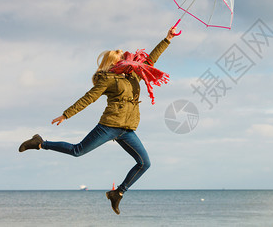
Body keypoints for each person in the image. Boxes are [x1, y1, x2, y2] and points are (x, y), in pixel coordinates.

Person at [19, 26, 179, 215]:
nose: (127, 59)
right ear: (114, 62)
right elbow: (89, 98)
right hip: (109, 125)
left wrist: (167, 39)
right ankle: (40, 143)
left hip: (127, 129)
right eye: (121, 58)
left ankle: (118, 193)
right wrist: (66, 114)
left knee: (145, 163)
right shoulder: (108, 78)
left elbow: (150, 60)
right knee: (77, 151)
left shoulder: (134, 73)